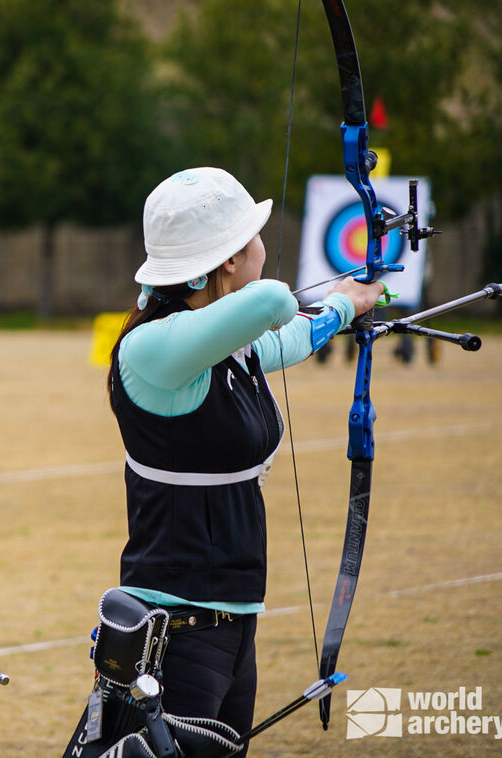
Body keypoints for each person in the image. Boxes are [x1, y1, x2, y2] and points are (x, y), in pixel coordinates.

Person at [105, 167, 382, 751]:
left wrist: (343, 306)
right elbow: (274, 302)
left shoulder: (219, 345)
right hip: (176, 630)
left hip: (232, 619)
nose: (263, 246)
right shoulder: (151, 348)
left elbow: (286, 337)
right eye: (253, 237)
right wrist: (322, 299)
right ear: (229, 259)